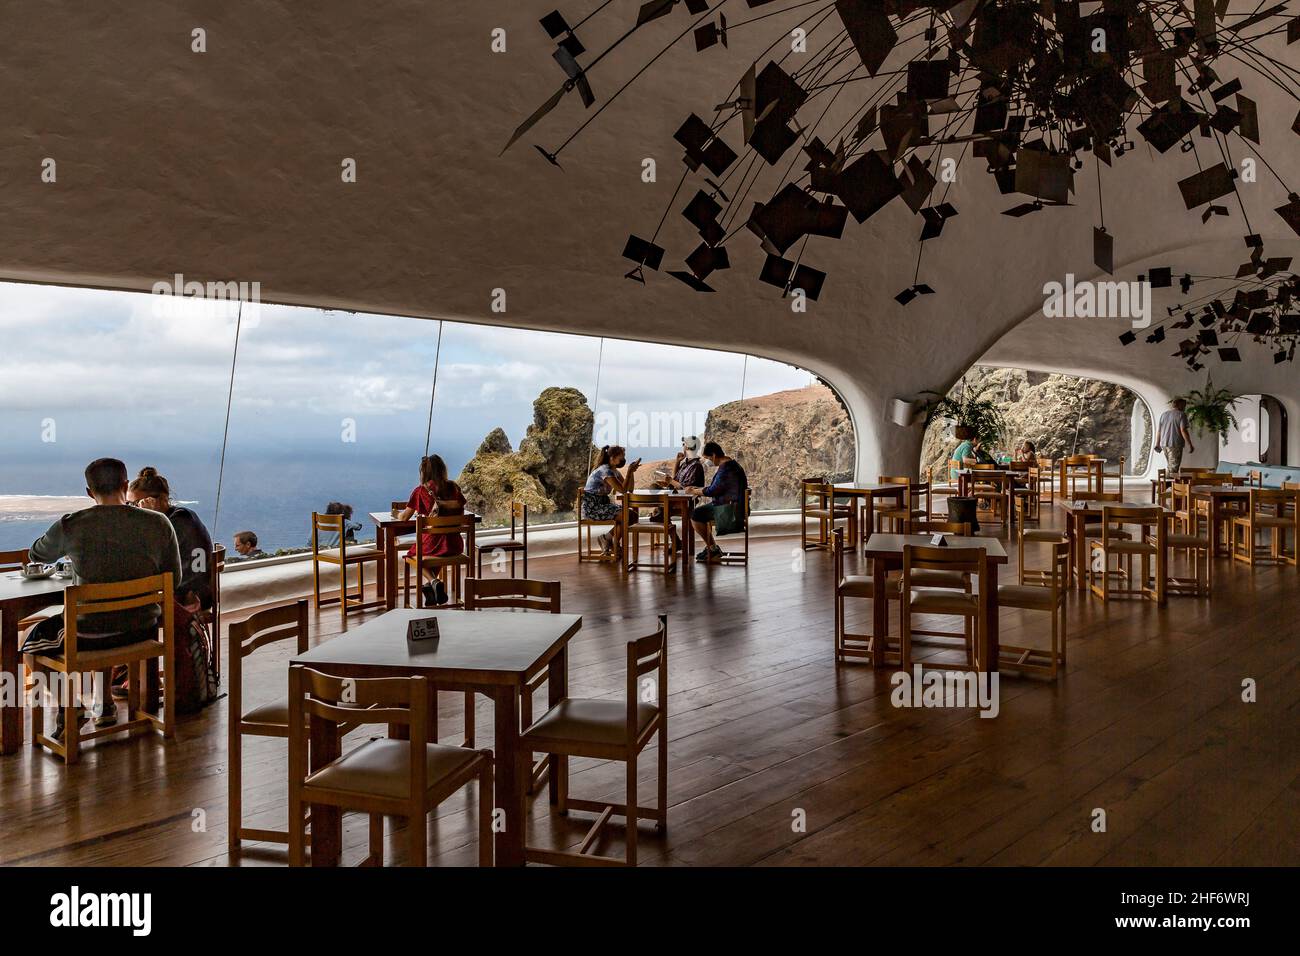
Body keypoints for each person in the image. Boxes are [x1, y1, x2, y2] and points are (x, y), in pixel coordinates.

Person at [23, 458, 181, 737]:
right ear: (124, 485)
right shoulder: (159, 523)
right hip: (142, 628)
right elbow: (174, 579)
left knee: (30, 644)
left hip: (91, 634)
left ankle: (71, 708)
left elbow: (37, 554)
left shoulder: (72, 525)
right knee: (103, 618)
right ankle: (105, 705)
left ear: (88, 492)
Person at [127, 466, 214, 610]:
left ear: (160, 499)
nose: (132, 509)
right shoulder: (179, 516)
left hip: (188, 597)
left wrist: (149, 518)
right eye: (128, 504)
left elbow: (147, 558)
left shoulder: (179, 521)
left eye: (137, 503)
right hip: (189, 590)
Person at [398, 455, 466, 606]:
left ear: (424, 472)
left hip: (434, 543)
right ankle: (429, 590)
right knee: (438, 551)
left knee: (414, 553)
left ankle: (434, 581)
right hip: (454, 545)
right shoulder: (454, 487)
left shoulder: (421, 490)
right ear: (442, 469)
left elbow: (404, 518)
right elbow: (462, 505)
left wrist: (398, 514)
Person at [686, 441, 748, 562]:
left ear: (713, 455)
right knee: (700, 512)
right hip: (733, 505)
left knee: (695, 514)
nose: (707, 461)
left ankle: (712, 548)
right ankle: (712, 548)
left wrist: (693, 491)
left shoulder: (726, 469)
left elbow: (712, 491)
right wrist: (698, 489)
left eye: (707, 458)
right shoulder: (731, 464)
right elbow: (717, 488)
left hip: (730, 510)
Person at [582, 445, 640, 555]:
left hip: (602, 505)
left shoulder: (614, 471)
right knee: (626, 516)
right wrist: (628, 471)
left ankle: (607, 538)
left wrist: (631, 473)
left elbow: (629, 489)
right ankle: (612, 543)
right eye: (621, 457)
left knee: (632, 516)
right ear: (612, 458)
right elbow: (622, 490)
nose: (623, 459)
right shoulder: (605, 471)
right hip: (593, 508)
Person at [1154, 397, 1195, 472]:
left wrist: (1157, 443)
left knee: (1171, 466)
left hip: (1164, 444)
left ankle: (1165, 482)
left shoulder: (1164, 414)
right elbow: (1183, 430)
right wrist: (1189, 444)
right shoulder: (1181, 415)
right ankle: (1168, 483)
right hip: (1175, 444)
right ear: (1180, 405)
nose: (1185, 407)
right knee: (1173, 469)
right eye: (1184, 405)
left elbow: (1159, 431)